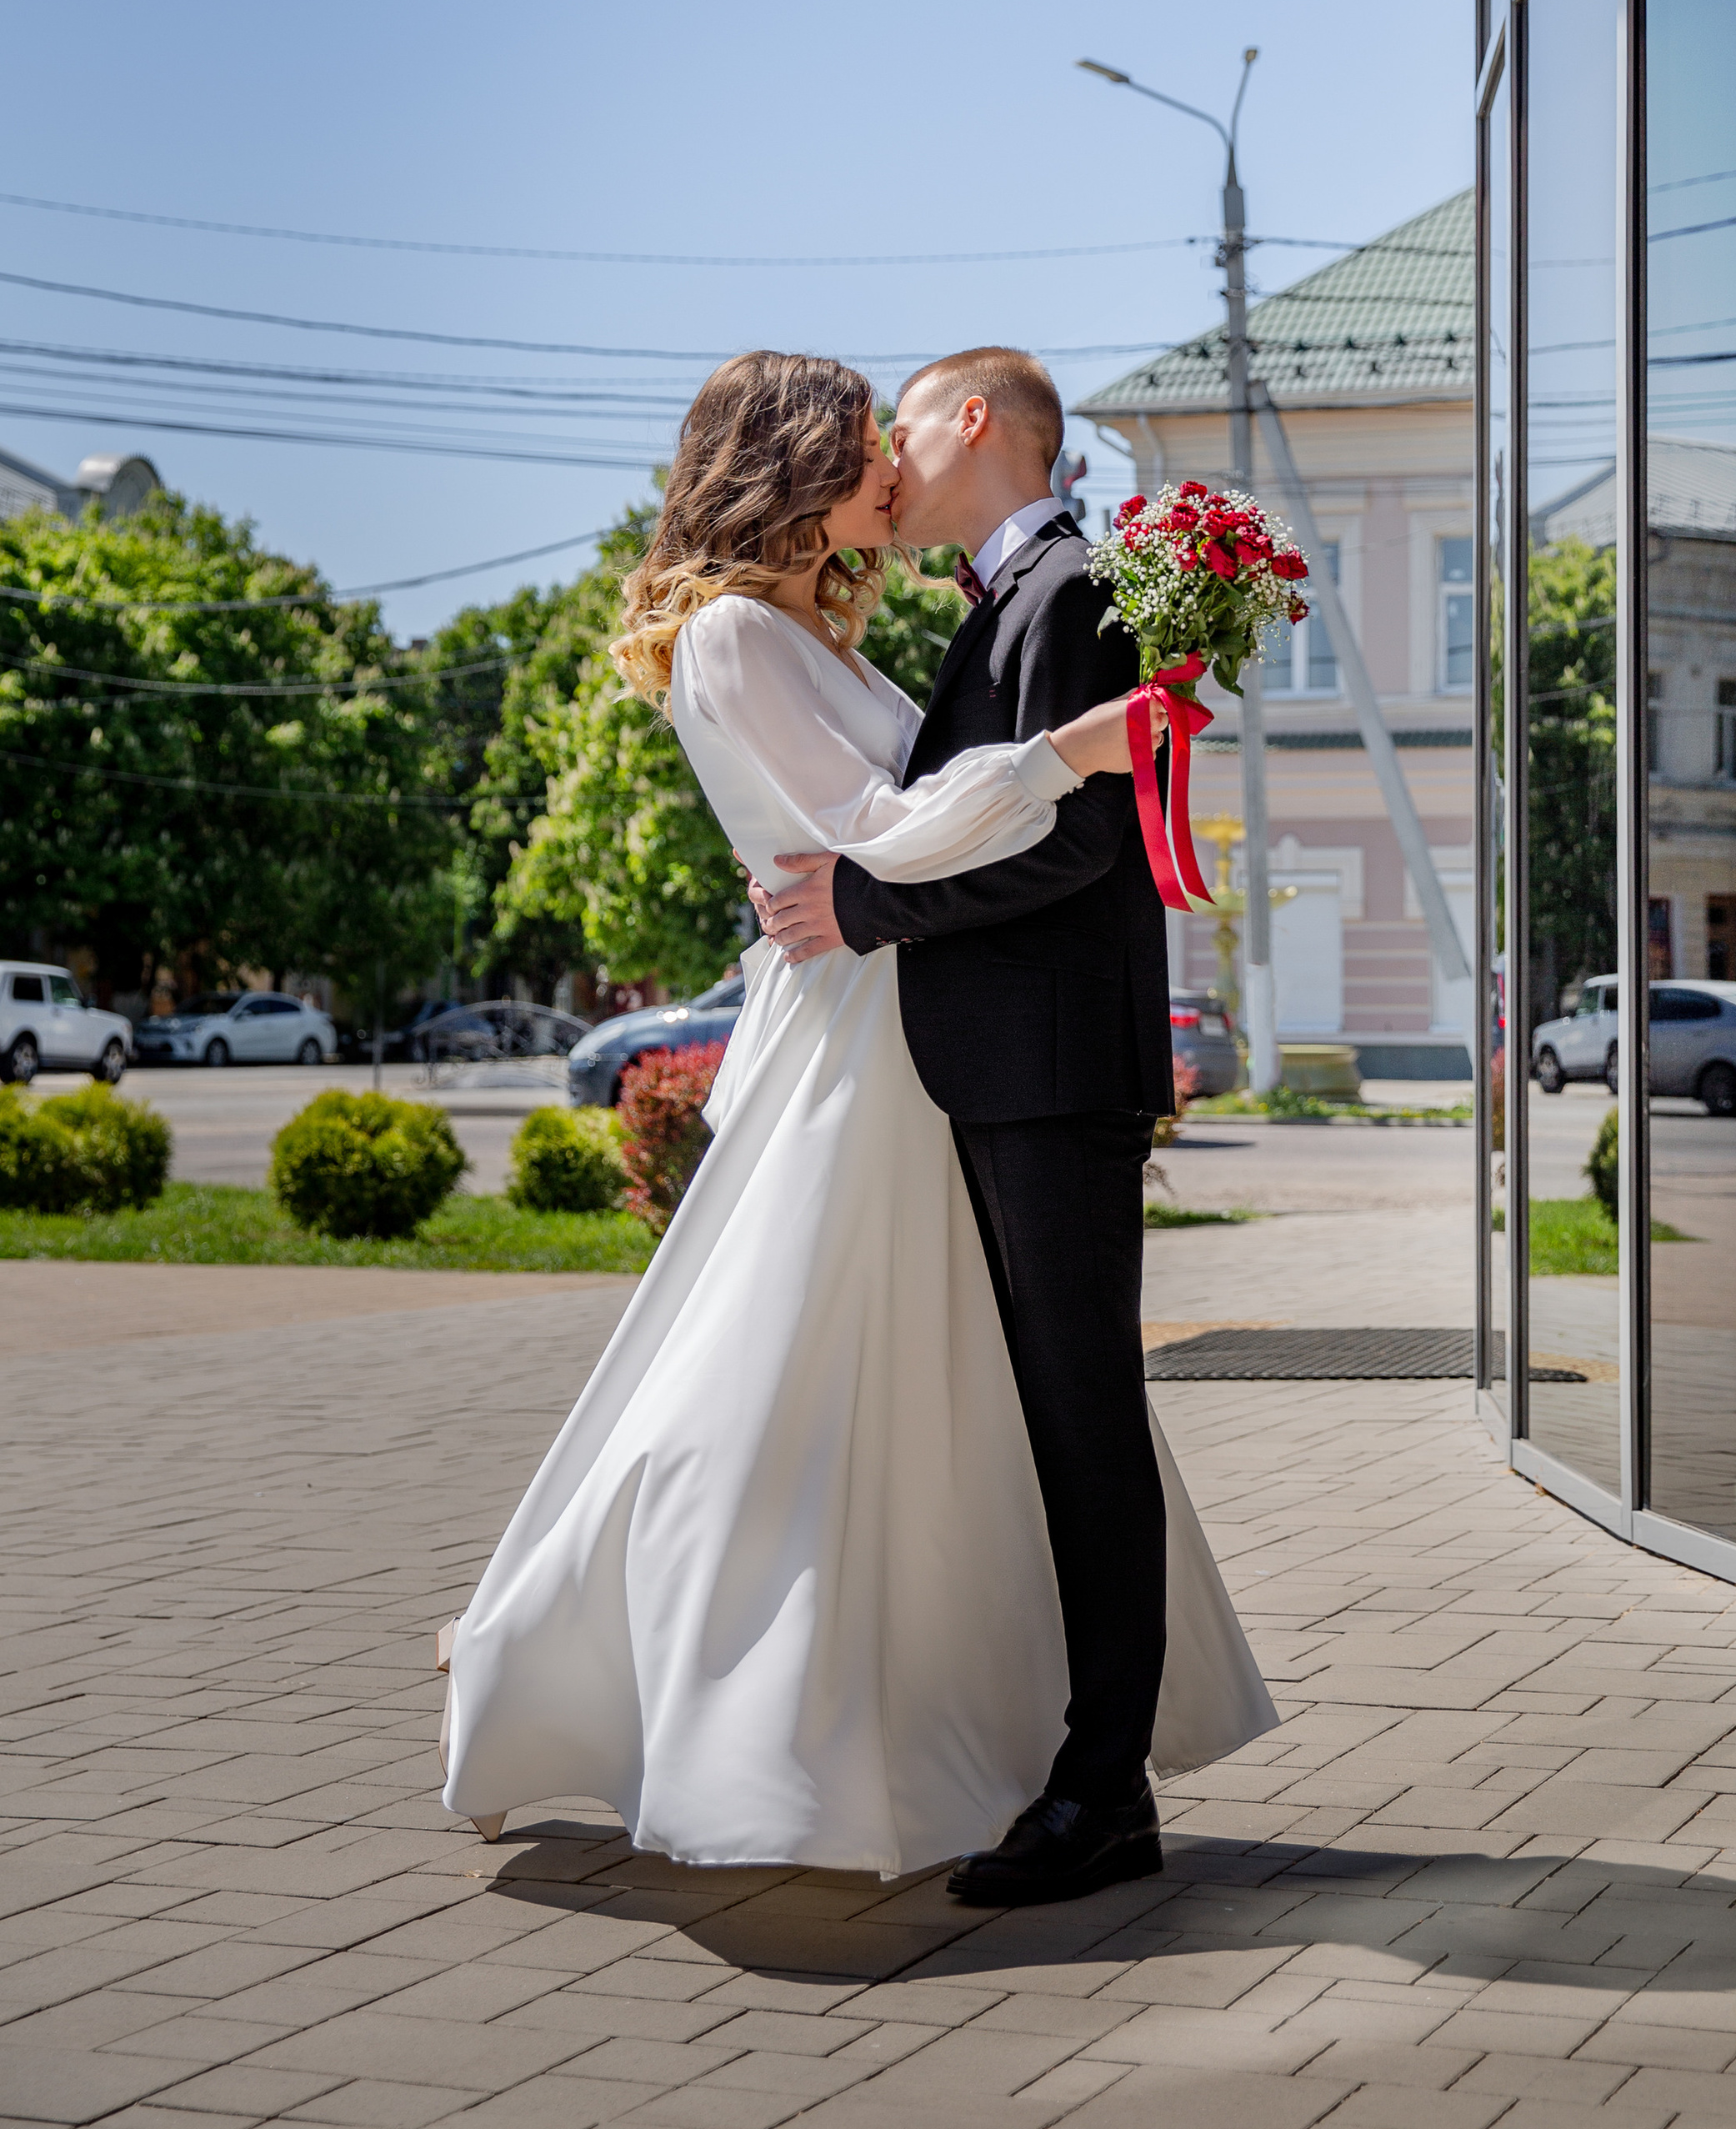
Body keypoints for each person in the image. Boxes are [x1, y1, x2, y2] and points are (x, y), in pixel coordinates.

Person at [439, 349, 1273, 1897]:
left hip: (934, 1043)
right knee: (775, 1396)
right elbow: (893, 825)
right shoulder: (746, 634)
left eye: (899, 435)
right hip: (867, 1050)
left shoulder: (916, 617)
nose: (889, 469)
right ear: (795, 463)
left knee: (935, 1409)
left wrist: (979, 818)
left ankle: (1028, 1757)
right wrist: (1067, 753)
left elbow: (922, 843)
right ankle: (633, 1681)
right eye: (862, 445)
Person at [755, 344, 1200, 1906]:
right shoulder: (1015, 598)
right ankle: (1079, 1762)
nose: (888, 464)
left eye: (902, 433)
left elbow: (1086, 837)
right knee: (1057, 1424)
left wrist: (864, 904)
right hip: (1009, 1068)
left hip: (1054, 1073)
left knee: (1085, 1422)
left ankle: (1106, 1789)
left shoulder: (1069, 588)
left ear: (974, 423)